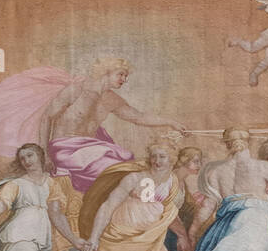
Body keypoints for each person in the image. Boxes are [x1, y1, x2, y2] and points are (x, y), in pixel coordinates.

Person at [38, 57, 186, 194]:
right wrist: (44, 153)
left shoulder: (111, 99)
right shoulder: (77, 89)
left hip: (90, 150)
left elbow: (138, 117)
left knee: (126, 165)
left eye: (126, 76)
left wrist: (171, 123)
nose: (124, 80)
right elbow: (46, 118)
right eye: (121, 74)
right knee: (116, 169)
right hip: (65, 149)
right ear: (106, 72)